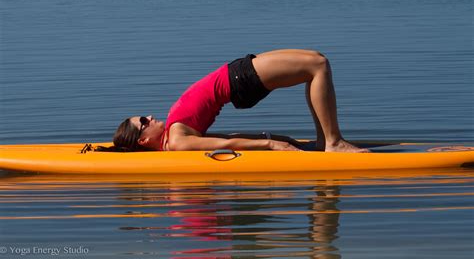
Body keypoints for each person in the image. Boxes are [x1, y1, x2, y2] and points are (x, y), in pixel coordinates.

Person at [112, 49, 369, 153]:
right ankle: (332, 142)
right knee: (317, 64)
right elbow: (229, 144)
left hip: (236, 75)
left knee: (315, 62)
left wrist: (279, 138)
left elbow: (225, 137)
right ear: (143, 140)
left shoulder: (174, 134)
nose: (149, 116)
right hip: (238, 79)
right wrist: (270, 144)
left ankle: (326, 140)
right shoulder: (178, 141)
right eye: (144, 121)